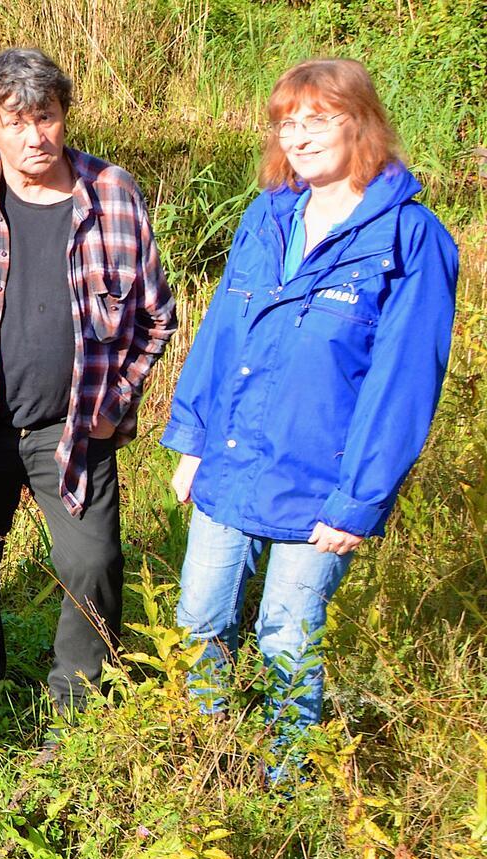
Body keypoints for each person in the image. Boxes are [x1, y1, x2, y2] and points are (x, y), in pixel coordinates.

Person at [163, 59, 458, 778]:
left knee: (286, 639)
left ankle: (285, 783)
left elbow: (403, 385)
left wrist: (359, 501)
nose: (298, 135)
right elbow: (219, 334)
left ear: (360, 123)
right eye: (287, 123)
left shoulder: (410, 239)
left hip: (319, 484)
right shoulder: (266, 217)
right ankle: (209, 764)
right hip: (232, 460)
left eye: (317, 119)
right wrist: (193, 442)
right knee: (198, 620)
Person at [0, 47, 177, 730]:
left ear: (65, 116)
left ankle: (78, 703)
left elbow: (157, 315)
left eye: (47, 116)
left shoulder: (113, 193)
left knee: (92, 562)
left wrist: (114, 401)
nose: (35, 135)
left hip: (74, 426)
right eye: (16, 120)